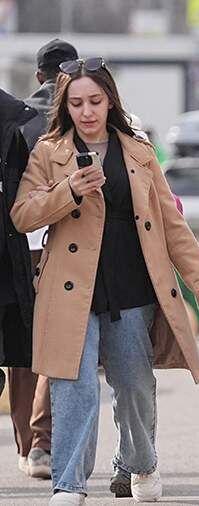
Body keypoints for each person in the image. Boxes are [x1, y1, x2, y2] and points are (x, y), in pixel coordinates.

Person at [11, 56, 199, 504]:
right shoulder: (49, 152)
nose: (87, 111)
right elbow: (21, 214)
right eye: (76, 103)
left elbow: (174, 228)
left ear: (110, 101)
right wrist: (67, 190)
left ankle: (139, 463)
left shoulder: (139, 152)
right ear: (64, 106)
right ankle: (68, 483)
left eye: (95, 101)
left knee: (133, 385)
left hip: (131, 285)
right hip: (70, 290)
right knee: (74, 385)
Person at [6, 37, 78, 484]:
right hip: (62, 243)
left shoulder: (15, 118)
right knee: (59, 341)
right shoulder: (76, 115)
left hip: (18, 244)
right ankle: (41, 442)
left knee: (22, 349)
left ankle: (24, 444)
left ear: (39, 76)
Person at [1, 85, 37, 469]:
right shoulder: (15, 121)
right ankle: (33, 445)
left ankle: (33, 446)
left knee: (23, 358)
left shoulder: (13, 125)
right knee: (23, 363)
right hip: (13, 266)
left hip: (10, 266)